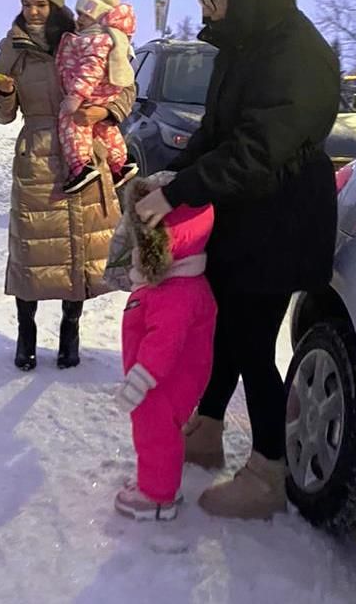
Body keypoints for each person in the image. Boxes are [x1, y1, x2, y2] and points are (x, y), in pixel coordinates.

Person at [134, 0, 340, 520]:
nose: (207, 8)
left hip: (280, 223)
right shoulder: (244, 43)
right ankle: (205, 430)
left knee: (252, 344)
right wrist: (171, 176)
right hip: (246, 219)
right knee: (226, 329)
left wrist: (180, 195)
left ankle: (267, 471)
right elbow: (215, 133)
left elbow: (255, 151)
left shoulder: (300, 57)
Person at [0, 0, 132, 371]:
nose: (33, 11)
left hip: (85, 151)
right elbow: (2, 115)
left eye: (41, 3)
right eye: (27, 3)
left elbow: (124, 89)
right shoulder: (12, 48)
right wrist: (3, 93)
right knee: (33, 251)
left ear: (55, 4)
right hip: (36, 154)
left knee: (79, 249)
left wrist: (104, 111)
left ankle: (71, 334)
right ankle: (26, 335)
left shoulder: (83, 38)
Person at [105, 173, 217, 521]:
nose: (136, 250)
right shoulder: (169, 282)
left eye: (143, 243)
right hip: (158, 380)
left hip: (161, 382)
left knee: (156, 432)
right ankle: (154, 480)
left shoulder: (178, 292)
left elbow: (164, 342)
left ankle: (157, 496)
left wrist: (141, 378)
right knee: (155, 431)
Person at [56, 0, 138, 194]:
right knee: (103, 129)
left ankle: (81, 166)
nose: (79, 19)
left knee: (72, 122)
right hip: (102, 94)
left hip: (89, 94)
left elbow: (90, 71)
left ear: (99, 16)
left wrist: (75, 96)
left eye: (85, 14)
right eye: (79, 13)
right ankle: (121, 163)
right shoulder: (106, 39)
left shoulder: (94, 41)